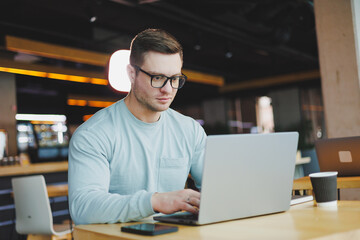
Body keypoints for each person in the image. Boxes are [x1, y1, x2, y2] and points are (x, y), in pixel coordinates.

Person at [68, 29, 207, 225]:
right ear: (131, 74)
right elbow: (83, 208)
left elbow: (217, 190)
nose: (167, 89)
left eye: (175, 78)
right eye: (157, 77)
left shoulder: (190, 131)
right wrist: (154, 201)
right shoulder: (93, 134)